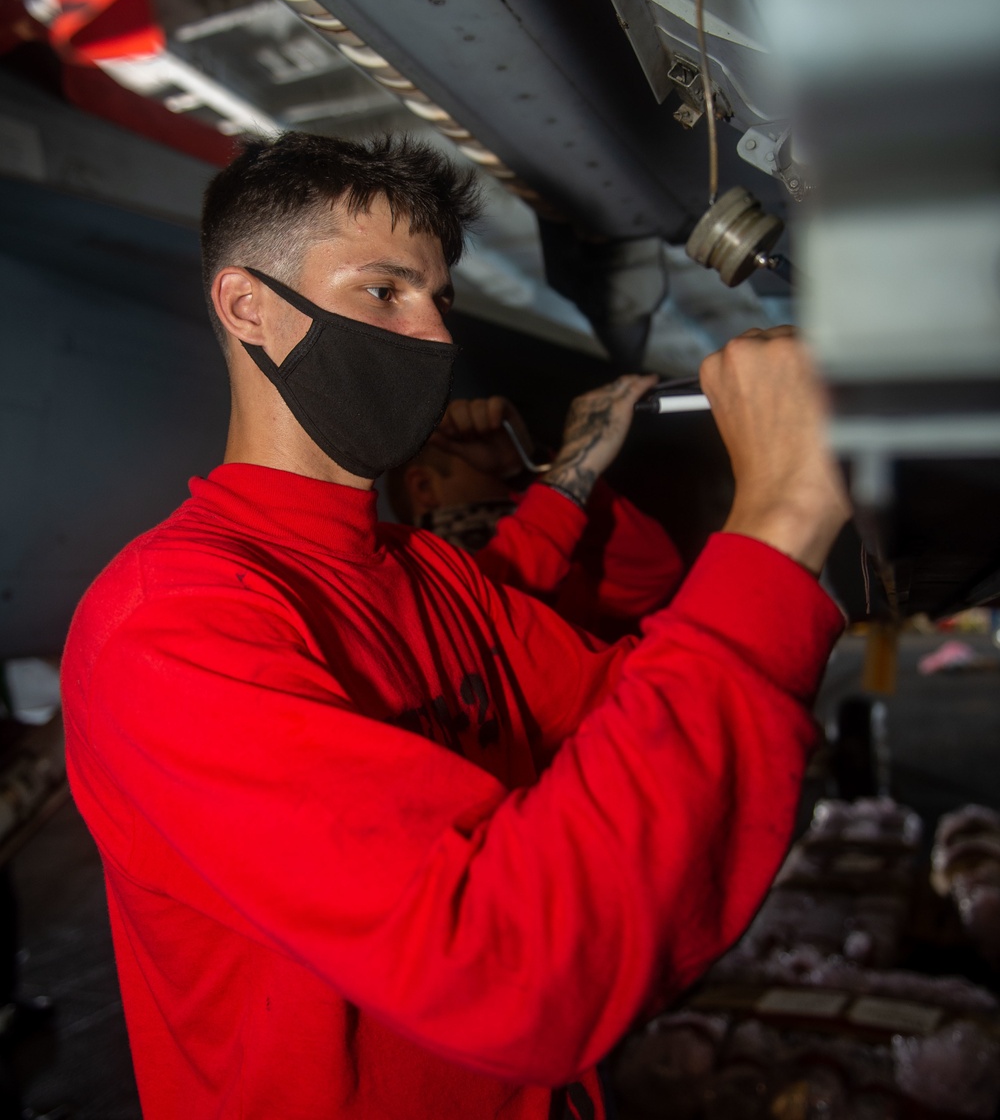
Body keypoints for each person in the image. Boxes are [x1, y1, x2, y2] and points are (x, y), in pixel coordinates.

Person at [61, 132, 850, 1120]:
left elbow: (629, 725)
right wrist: (773, 525)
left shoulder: (432, 575)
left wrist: (772, 555)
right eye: (384, 290)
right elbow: (505, 966)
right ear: (245, 303)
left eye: (442, 298)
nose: (434, 338)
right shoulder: (170, 626)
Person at [389, 389, 685, 638]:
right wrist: (568, 476)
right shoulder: (413, 592)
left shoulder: (552, 556)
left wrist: (527, 469)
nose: (493, 471)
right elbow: (485, 616)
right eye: (470, 456)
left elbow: (654, 576)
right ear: (425, 487)